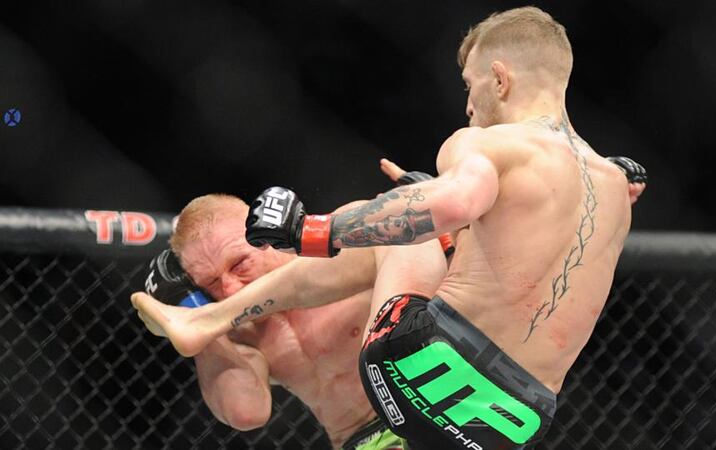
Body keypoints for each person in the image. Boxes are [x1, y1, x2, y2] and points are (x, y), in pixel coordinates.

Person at [132, 6, 648, 447]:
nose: (468, 105)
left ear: (499, 79)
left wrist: (310, 230)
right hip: (518, 420)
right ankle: (203, 321)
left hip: (419, 367)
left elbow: (453, 203)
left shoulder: (483, 143)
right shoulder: (611, 187)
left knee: (406, 222)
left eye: (469, 85)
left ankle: (206, 320)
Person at [139, 184, 430, 450]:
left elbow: (405, 240)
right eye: (211, 283)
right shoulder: (240, 333)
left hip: (427, 405)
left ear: (263, 237)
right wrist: (198, 317)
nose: (230, 289)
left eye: (239, 264)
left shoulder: (338, 242)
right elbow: (246, 412)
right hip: (360, 442)